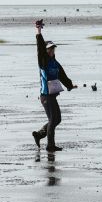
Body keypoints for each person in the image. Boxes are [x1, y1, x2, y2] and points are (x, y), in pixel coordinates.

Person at [32, 21, 76, 152]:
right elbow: (40, 48)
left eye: (53, 48)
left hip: (52, 96)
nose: (52, 50)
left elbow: (62, 75)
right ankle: (50, 145)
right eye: (49, 49)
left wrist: (70, 85)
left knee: (57, 119)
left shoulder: (55, 62)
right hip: (46, 96)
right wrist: (38, 32)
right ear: (46, 50)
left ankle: (39, 134)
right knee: (52, 119)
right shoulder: (43, 61)